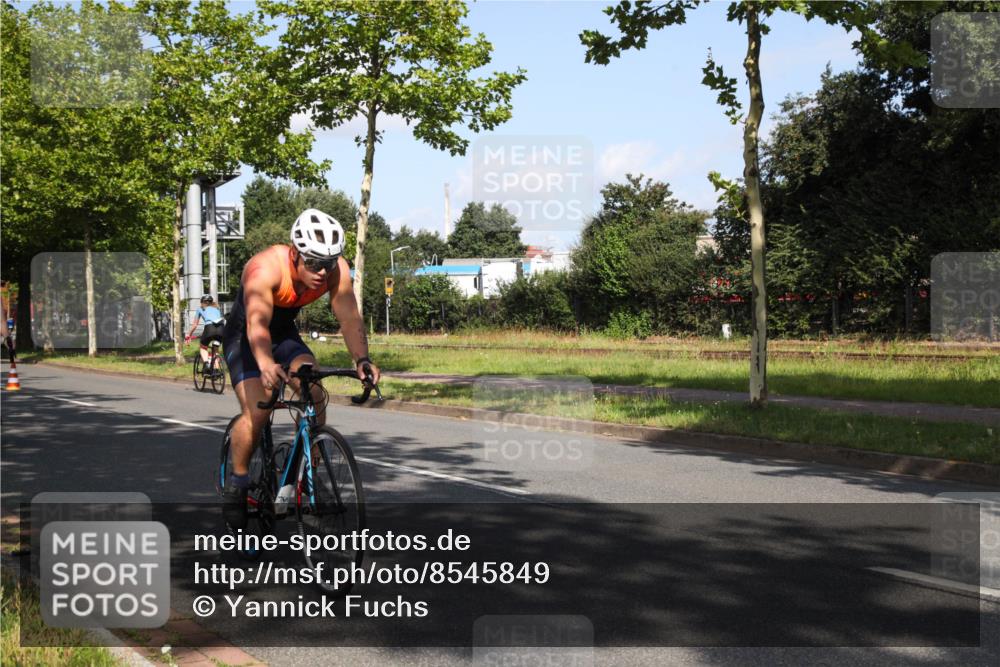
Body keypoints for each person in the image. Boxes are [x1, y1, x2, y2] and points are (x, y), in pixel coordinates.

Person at [220, 208, 380, 529]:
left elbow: (349, 316)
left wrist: (362, 360)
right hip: (246, 337)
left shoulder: (335, 270)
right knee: (259, 411)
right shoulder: (264, 269)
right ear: (294, 253)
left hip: (284, 335)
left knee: (315, 390)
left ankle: (306, 473)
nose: (322, 271)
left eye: (329, 263)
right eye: (314, 263)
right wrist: (265, 363)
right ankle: (237, 481)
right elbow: (257, 324)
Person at [186, 295, 225, 368]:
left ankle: (206, 364)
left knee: (203, 348)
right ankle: (216, 370)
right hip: (221, 328)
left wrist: (189, 334)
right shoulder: (217, 308)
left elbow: (195, 325)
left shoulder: (200, 309)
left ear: (202, 302)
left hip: (209, 329)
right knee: (216, 349)